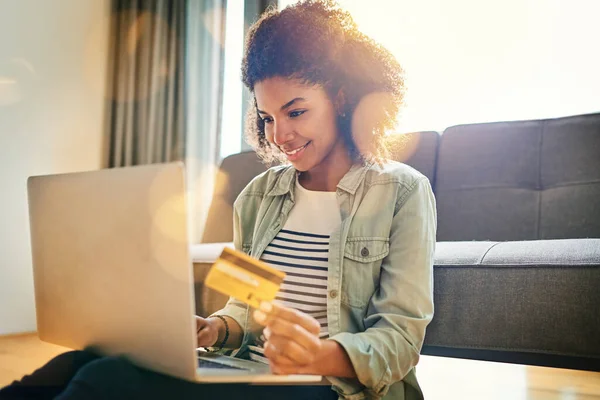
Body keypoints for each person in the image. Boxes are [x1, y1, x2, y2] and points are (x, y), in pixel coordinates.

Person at [0, 1, 436, 399]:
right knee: (76, 364)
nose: (279, 135)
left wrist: (316, 355)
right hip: (250, 370)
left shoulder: (402, 192)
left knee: (108, 381)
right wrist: (213, 328)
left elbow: (399, 341)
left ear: (341, 97)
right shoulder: (258, 196)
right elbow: (243, 307)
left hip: (331, 388)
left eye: (296, 111)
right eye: (267, 117)